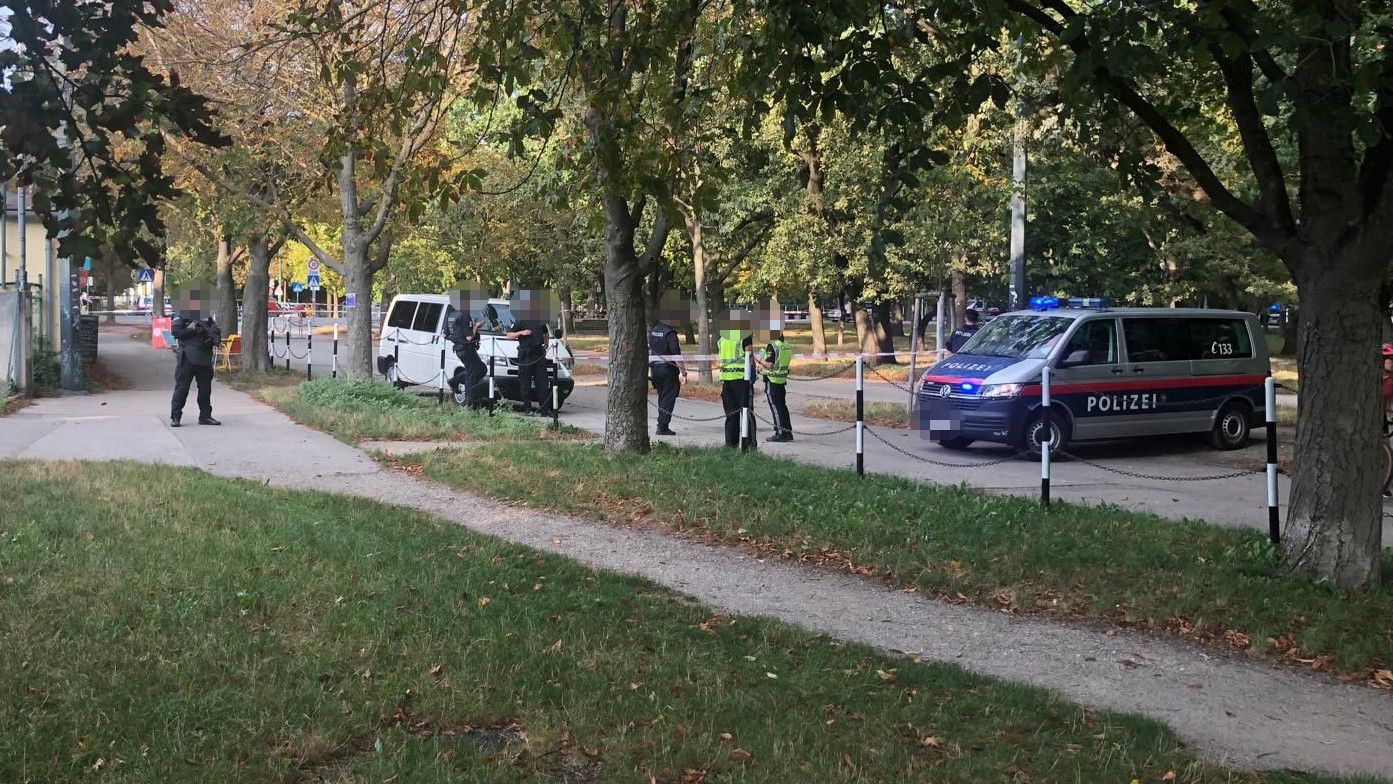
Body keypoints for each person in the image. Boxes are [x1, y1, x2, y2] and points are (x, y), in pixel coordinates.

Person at [170, 312, 221, 427]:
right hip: (187, 357)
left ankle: (205, 416)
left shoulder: (205, 316)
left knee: (205, 389)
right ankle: (175, 417)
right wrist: (194, 330)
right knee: (182, 388)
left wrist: (215, 334)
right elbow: (176, 332)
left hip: (204, 357)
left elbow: (214, 330)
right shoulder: (182, 315)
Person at [716, 327, 756, 448]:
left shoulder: (722, 338)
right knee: (747, 412)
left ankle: (730, 445)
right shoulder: (744, 336)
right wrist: (752, 372)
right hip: (741, 379)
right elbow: (749, 355)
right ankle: (749, 445)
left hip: (726, 380)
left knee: (731, 414)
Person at [648, 313, 687, 436]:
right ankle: (663, 426)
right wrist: (683, 372)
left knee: (662, 396)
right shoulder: (670, 333)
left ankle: (661, 423)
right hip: (668, 369)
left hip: (655, 369)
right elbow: (676, 354)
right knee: (668, 398)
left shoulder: (654, 331)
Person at [506, 313, 551, 415]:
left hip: (538, 355)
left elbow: (545, 333)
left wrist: (546, 344)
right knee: (525, 383)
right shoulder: (520, 320)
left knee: (542, 383)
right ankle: (528, 408)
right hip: (525, 355)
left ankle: (544, 409)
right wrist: (521, 333)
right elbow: (508, 336)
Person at [448, 308, 490, 410]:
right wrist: (476, 326)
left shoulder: (452, 315)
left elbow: (445, 334)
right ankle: (469, 403)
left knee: (481, 369)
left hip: (459, 348)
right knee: (472, 374)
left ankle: (455, 381)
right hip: (466, 348)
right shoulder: (465, 315)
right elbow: (469, 337)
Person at [757, 328, 794, 441]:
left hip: (772, 380)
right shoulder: (786, 345)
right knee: (782, 407)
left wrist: (759, 360)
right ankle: (787, 432)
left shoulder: (772, 346)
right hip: (781, 380)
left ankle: (780, 433)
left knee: (776, 408)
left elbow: (769, 365)